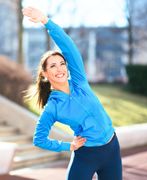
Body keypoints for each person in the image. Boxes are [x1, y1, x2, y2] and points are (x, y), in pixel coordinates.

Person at [22, 7, 122, 180]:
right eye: (52, 66)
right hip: (86, 155)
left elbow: (69, 47)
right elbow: (39, 139)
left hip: (112, 148)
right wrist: (67, 145)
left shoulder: (79, 81)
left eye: (62, 63)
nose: (59, 69)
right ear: (45, 74)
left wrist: (46, 21)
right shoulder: (52, 108)